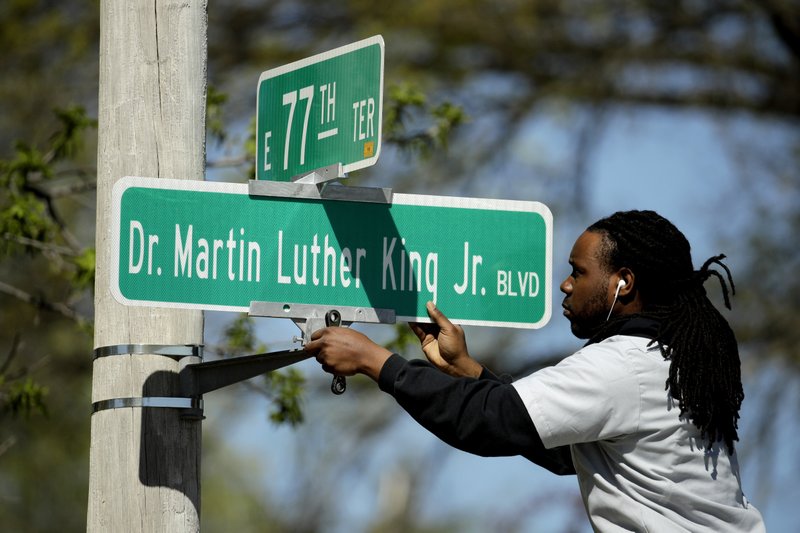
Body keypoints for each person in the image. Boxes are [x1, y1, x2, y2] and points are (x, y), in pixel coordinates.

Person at [305, 210, 766, 532]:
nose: (564, 285)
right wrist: (469, 370)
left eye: (578, 272)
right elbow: (568, 452)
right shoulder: (666, 361)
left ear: (623, 281)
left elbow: (488, 423)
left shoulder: (623, 365)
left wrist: (376, 362)